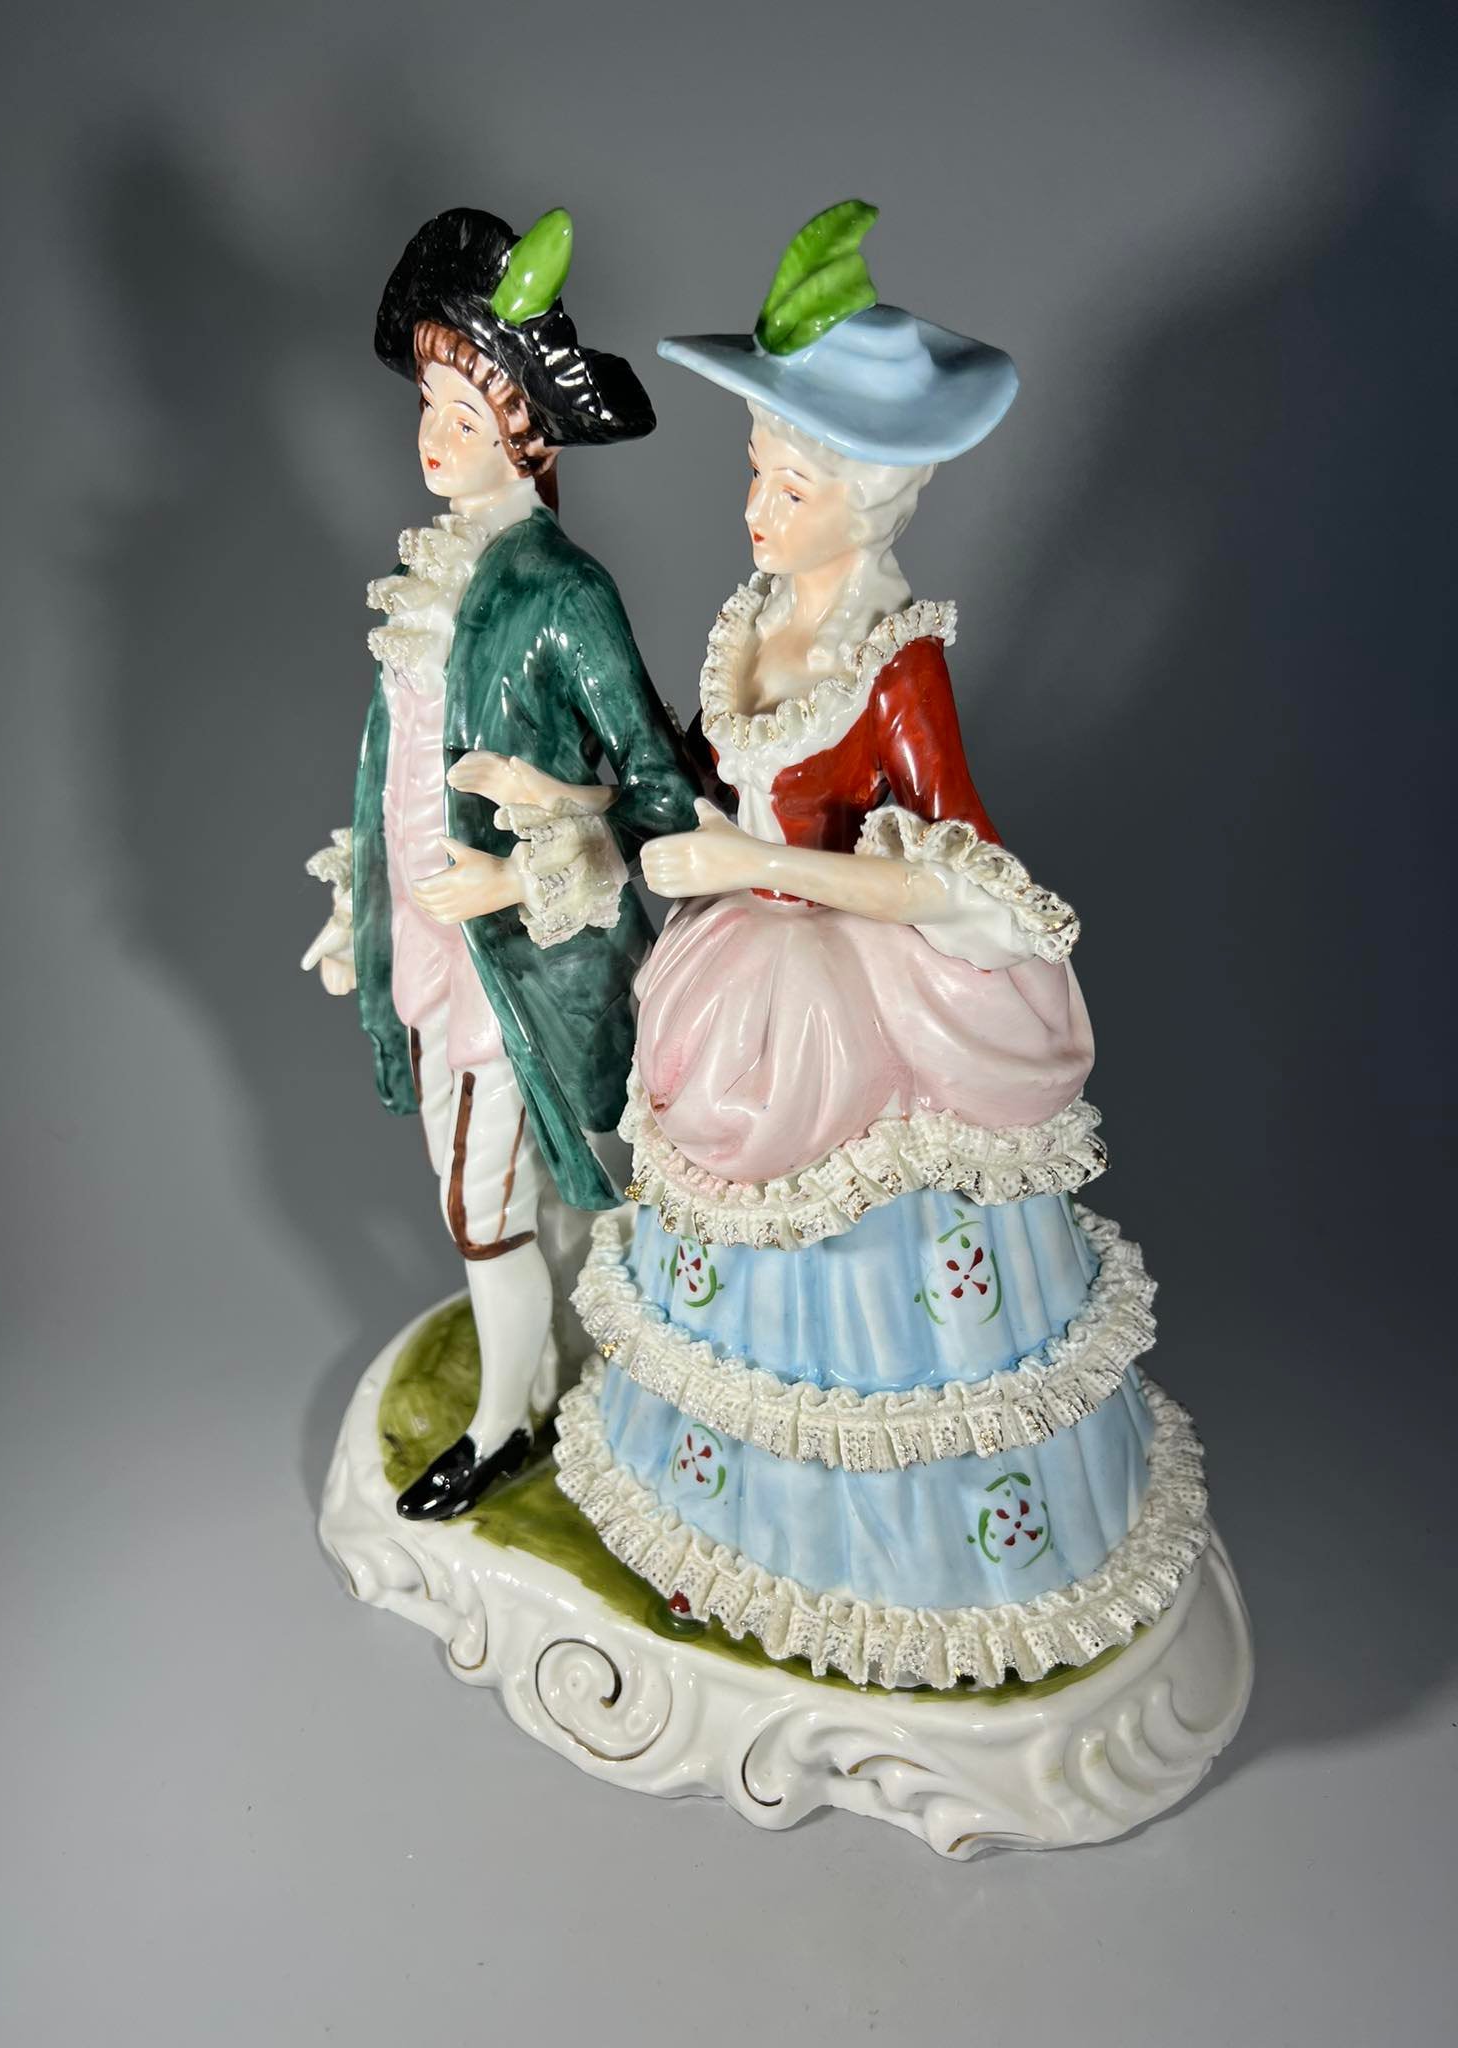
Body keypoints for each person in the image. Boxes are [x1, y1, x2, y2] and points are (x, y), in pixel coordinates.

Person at [551, 203, 1210, 1689]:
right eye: (756, 472)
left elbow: (951, 863)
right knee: (716, 1209)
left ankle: (896, 1566)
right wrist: (599, 806)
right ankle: (731, 1522)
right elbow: (710, 771)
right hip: (745, 964)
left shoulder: (895, 666)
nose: (758, 508)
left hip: (843, 987)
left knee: (869, 1264)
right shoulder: (760, 620)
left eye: (791, 486)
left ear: (870, 502)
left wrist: (752, 867)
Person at [304, 206, 699, 1523]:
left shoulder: (562, 593)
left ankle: (501, 1428)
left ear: (525, 435)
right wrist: (362, 895)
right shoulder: (433, 572)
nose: (434, 436)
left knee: (490, 1209)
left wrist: (523, 874)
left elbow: (660, 799)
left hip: (520, 968)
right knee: (498, 1196)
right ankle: (556, 1365)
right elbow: (397, 764)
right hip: (433, 945)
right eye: (429, 405)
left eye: (465, 415)